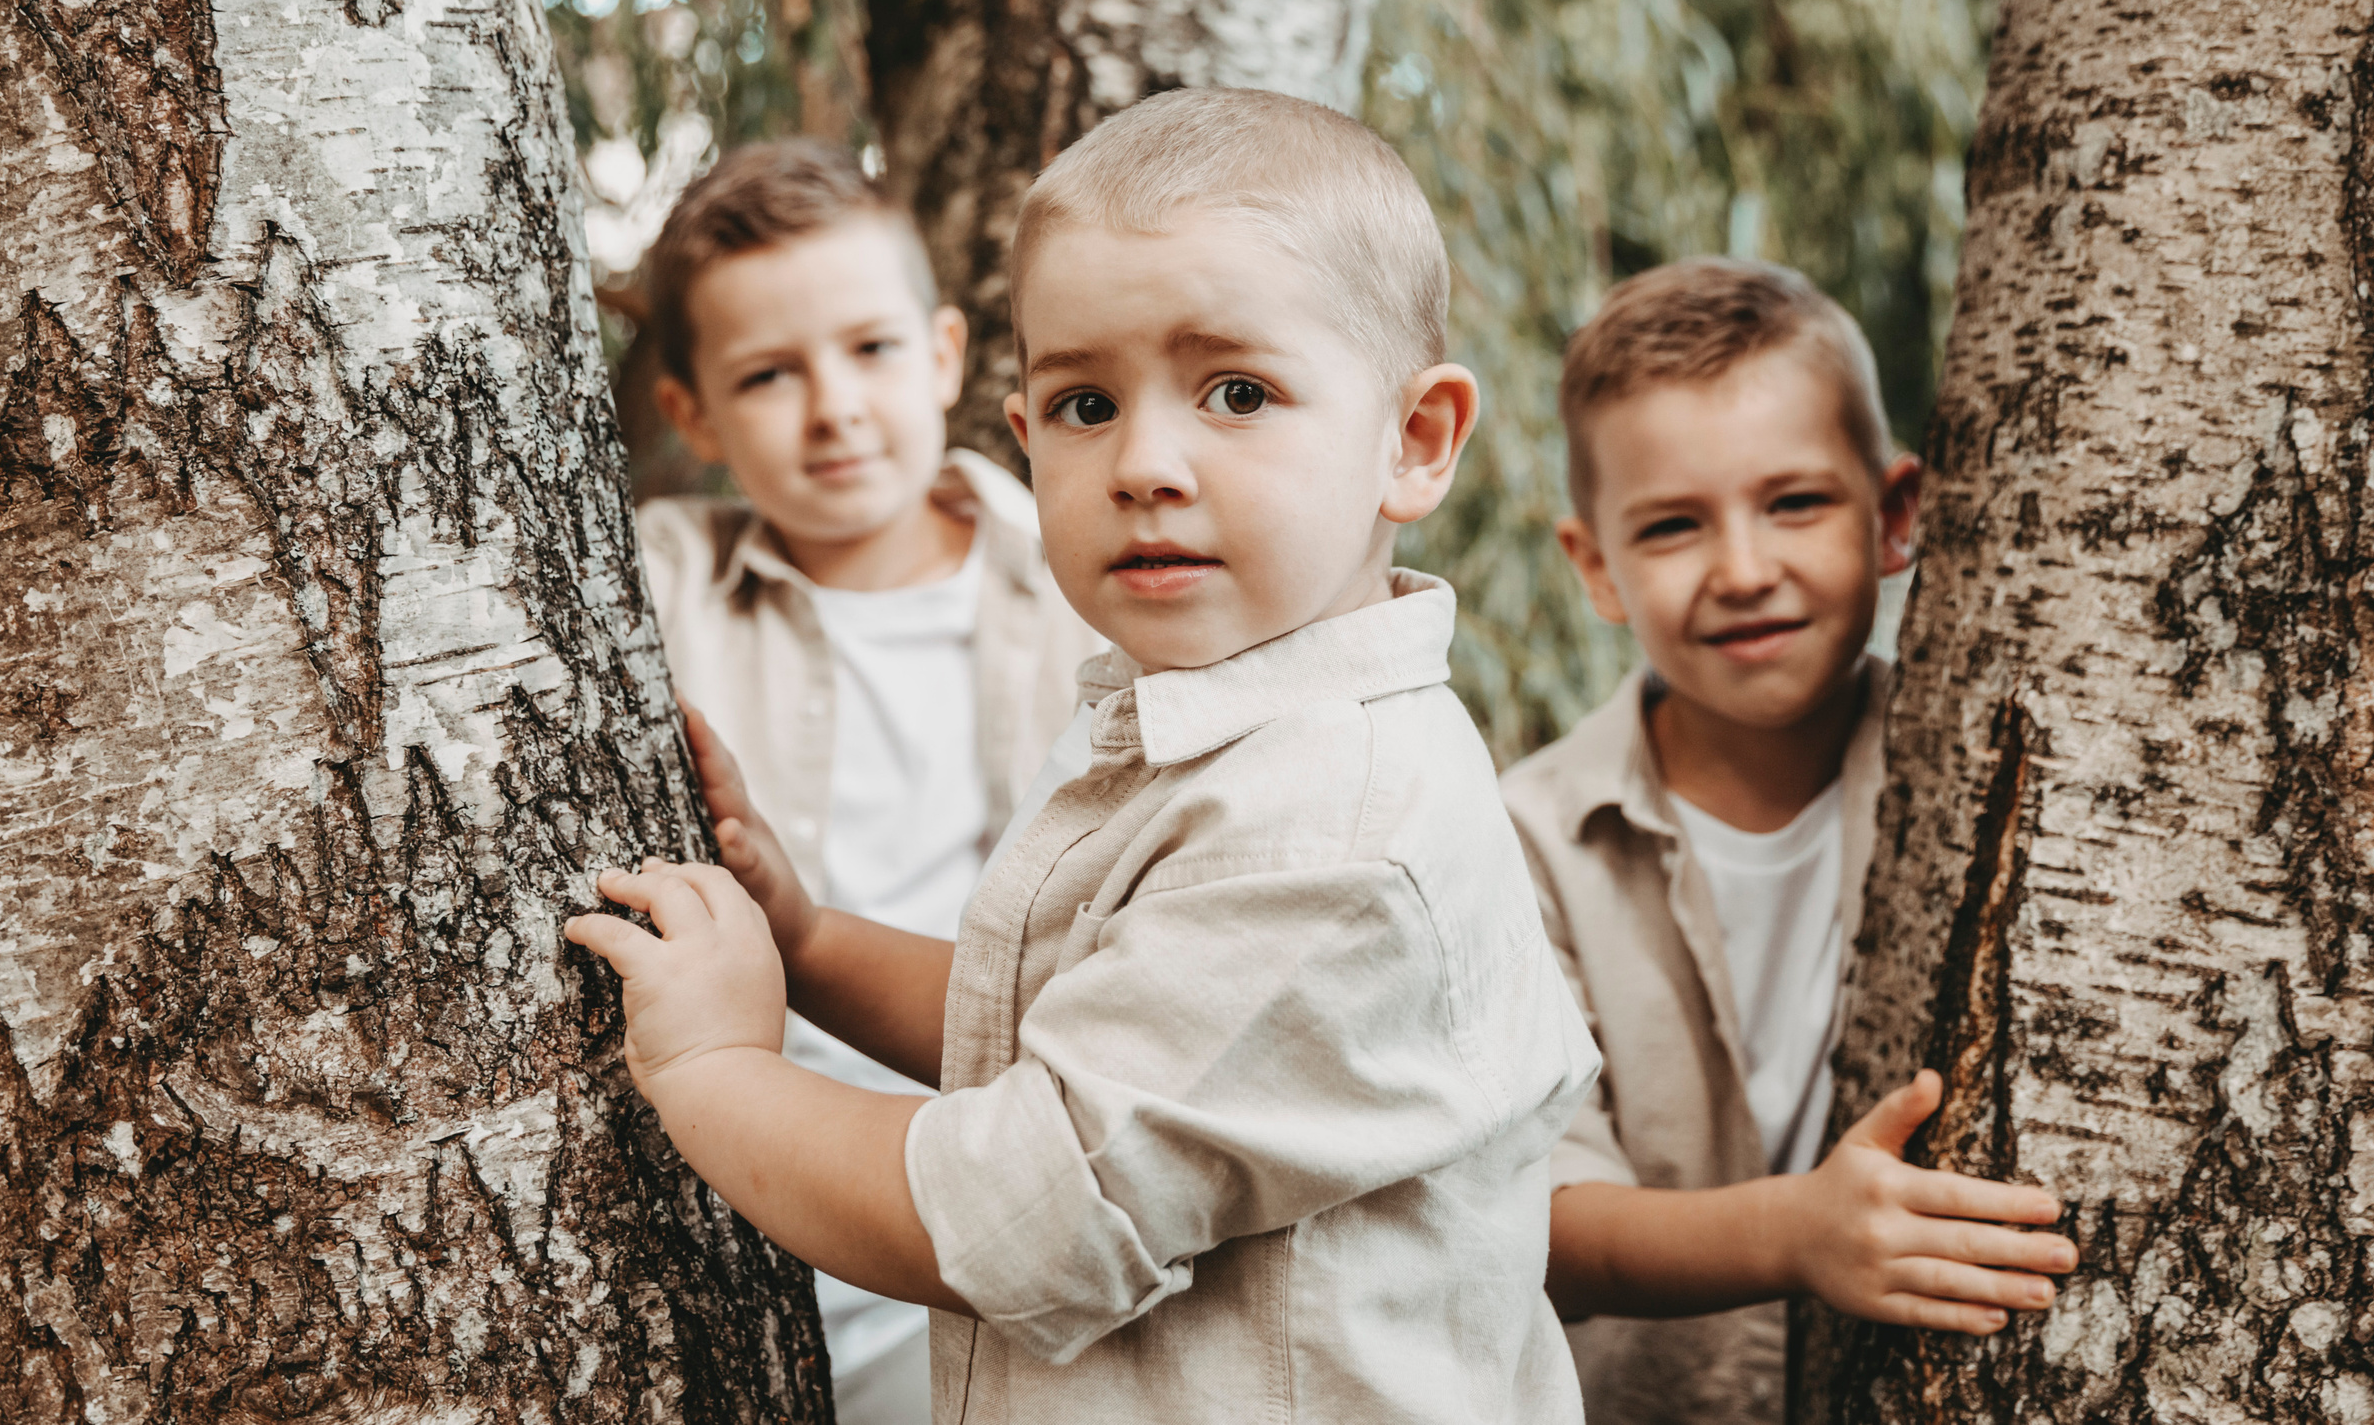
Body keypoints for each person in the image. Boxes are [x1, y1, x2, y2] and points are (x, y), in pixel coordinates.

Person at [570, 87, 1602, 1424]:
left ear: (1415, 439)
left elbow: (1019, 1214)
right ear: (1019, 432)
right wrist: (809, 942)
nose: (1145, 461)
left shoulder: (1333, 829)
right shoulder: (1227, 731)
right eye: (1084, 402)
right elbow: (1044, 1028)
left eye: (1238, 391)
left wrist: (717, 1065)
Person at [1505, 258, 2080, 1425]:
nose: (1744, 570)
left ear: (1896, 514)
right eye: (1672, 525)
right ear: (1596, 568)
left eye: (1796, 503)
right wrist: (1793, 1233)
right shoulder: (1523, 845)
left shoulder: (1999, 773)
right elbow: (1529, 1222)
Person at [628, 139, 1100, 1423]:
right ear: (692, 415)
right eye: (769, 375)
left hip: (1022, 1181)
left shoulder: (1084, 579)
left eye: (871, 351)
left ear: (946, 354)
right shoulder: (655, 585)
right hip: (768, 1177)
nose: (832, 406)